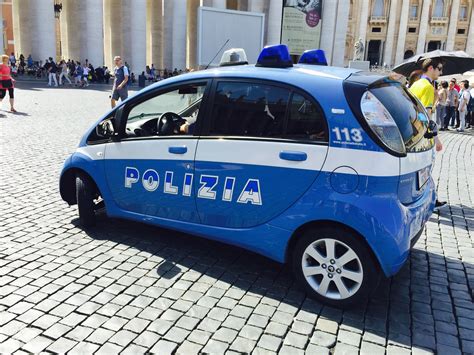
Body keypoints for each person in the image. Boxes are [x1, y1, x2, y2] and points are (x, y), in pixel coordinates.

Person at [409, 58, 446, 210]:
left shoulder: (416, 84)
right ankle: (430, 201)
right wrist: (436, 138)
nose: (441, 72)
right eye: (439, 69)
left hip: (412, 132)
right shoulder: (428, 87)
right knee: (426, 170)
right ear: (431, 68)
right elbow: (427, 115)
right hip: (424, 137)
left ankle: (431, 199)